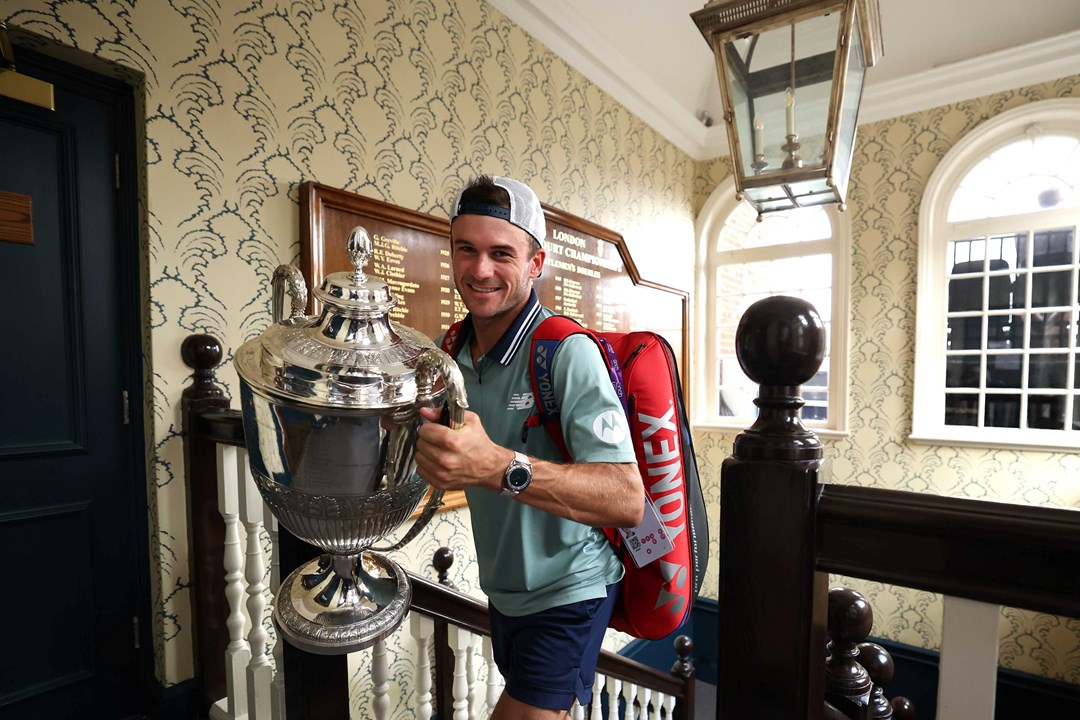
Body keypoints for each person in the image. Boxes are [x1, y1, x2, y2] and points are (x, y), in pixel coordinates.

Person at [415, 175, 645, 720]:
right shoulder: (450, 352)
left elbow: (626, 498)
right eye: (466, 249)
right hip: (504, 593)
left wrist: (496, 465)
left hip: (570, 591)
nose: (480, 270)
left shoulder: (566, 352)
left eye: (502, 253)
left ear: (536, 264)